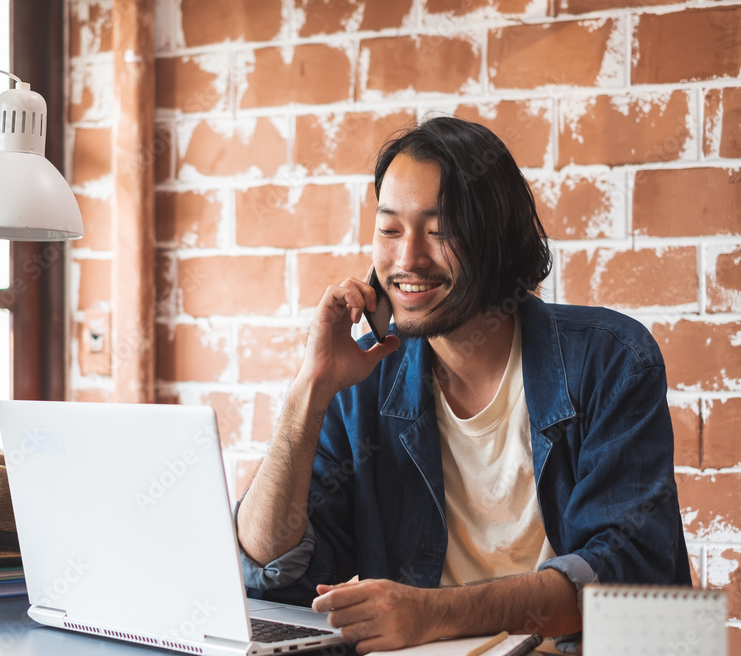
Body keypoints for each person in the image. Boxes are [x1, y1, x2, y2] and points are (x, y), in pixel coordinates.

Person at [235, 116, 691, 654]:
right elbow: (271, 568)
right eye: (389, 229)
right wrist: (309, 390)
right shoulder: (360, 381)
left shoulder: (610, 359)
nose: (407, 260)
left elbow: (621, 578)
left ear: (496, 237)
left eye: (439, 230)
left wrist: (429, 614)